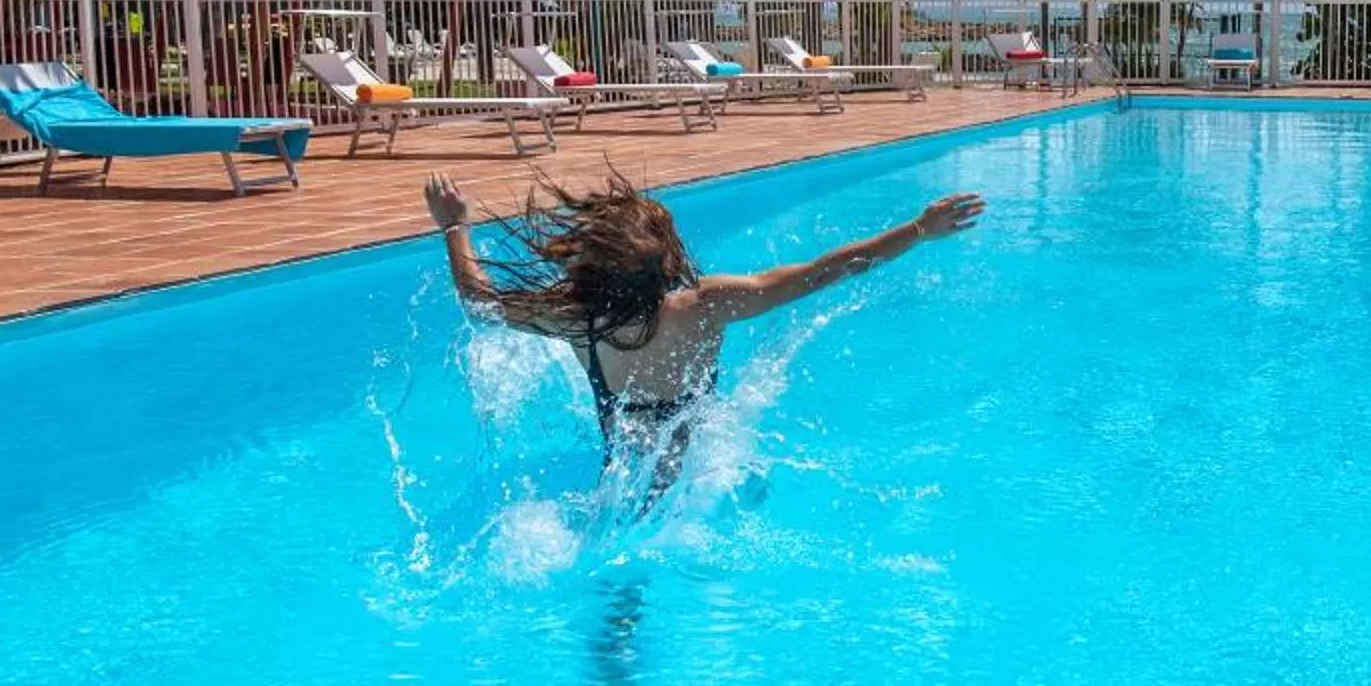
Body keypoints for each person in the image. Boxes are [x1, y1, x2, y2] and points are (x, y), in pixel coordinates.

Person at [422, 170, 984, 485]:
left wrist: (455, 226)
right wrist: (916, 228)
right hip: (706, 472)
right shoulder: (707, 306)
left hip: (625, 481)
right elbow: (824, 271)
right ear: (666, 262)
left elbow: (480, 301)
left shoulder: (575, 318)